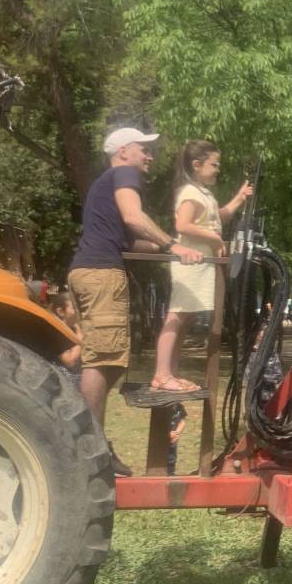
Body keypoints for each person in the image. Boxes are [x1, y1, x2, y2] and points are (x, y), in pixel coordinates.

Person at [67, 127, 204, 477]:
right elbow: (134, 218)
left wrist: (168, 246)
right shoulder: (123, 174)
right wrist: (175, 246)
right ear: (124, 151)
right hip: (100, 275)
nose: (150, 156)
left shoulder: (106, 183)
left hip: (89, 271)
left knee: (104, 358)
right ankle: (91, 450)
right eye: (144, 149)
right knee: (105, 361)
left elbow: (131, 240)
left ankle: (88, 443)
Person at [151, 140, 253, 392]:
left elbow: (217, 218)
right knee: (177, 315)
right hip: (190, 261)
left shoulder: (203, 193)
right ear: (196, 165)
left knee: (186, 317)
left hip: (201, 263)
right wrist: (215, 239)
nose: (218, 169)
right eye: (214, 164)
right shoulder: (190, 193)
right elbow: (182, 226)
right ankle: (161, 374)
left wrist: (239, 198)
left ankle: (170, 373)